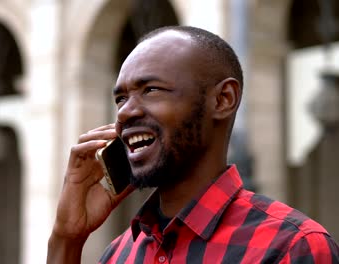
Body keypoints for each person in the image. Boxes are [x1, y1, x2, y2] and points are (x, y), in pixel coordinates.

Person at [47, 26, 339, 263]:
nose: (125, 112)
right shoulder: (119, 255)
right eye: (121, 98)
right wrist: (66, 239)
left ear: (223, 100)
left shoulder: (291, 247)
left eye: (151, 90)